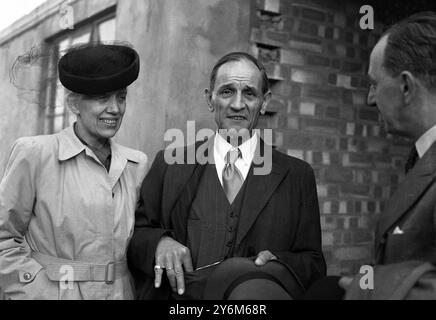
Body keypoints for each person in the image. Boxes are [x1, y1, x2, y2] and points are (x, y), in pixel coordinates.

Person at [127, 52, 326, 300]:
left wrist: (282, 264)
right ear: (210, 99)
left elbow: (314, 263)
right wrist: (159, 243)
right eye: (227, 91)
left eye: (249, 93)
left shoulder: (297, 176)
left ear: (264, 102)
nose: (237, 104)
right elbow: (137, 236)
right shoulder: (169, 164)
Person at [0, 43, 149, 299]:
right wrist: (39, 291)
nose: (115, 108)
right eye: (102, 97)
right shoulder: (35, 154)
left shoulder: (136, 164)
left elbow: (143, 238)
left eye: (121, 96)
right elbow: (4, 240)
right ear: (74, 104)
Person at [305, 12, 436, 300]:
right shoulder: (420, 156)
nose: (370, 98)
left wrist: (371, 290)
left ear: (406, 86)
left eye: (375, 83)